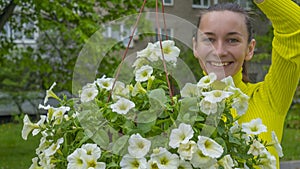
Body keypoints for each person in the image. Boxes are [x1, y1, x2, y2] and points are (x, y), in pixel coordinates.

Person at [192, 0, 300, 167]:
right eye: (209, 39)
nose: (219, 51)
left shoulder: (268, 99)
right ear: (195, 47)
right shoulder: (178, 109)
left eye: (232, 40)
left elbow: (295, 27)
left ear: (250, 49)